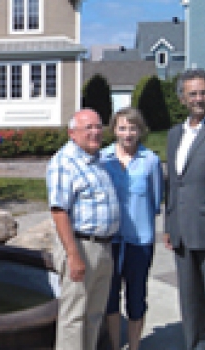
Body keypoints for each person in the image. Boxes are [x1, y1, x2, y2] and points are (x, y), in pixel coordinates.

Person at [46, 108, 120, 350]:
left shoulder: (99, 159)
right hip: (80, 246)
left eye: (98, 126)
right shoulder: (64, 163)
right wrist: (73, 255)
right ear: (72, 134)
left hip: (103, 246)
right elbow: (59, 211)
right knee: (74, 316)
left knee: (94, 313)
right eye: (88, 127)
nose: (96, 132)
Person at [164, 68, 205, 349]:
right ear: (182, 99)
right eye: (193, 94)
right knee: (190, 303)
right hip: (182, 233)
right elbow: (173, 184)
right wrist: (168, 225)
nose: (199, 98)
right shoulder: (175, 134)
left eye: (204, 92)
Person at [100, 107, 164, 350]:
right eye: (123, 128)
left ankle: (135, 346)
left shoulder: (151, 161)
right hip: (112, 240)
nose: (128, 133)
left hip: (140, 240)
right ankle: (117, 345)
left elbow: (156, 199)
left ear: (141, 130)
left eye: (133, 128)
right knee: (111, 298)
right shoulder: (104, 159)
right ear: (114, 130)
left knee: (136, 298)